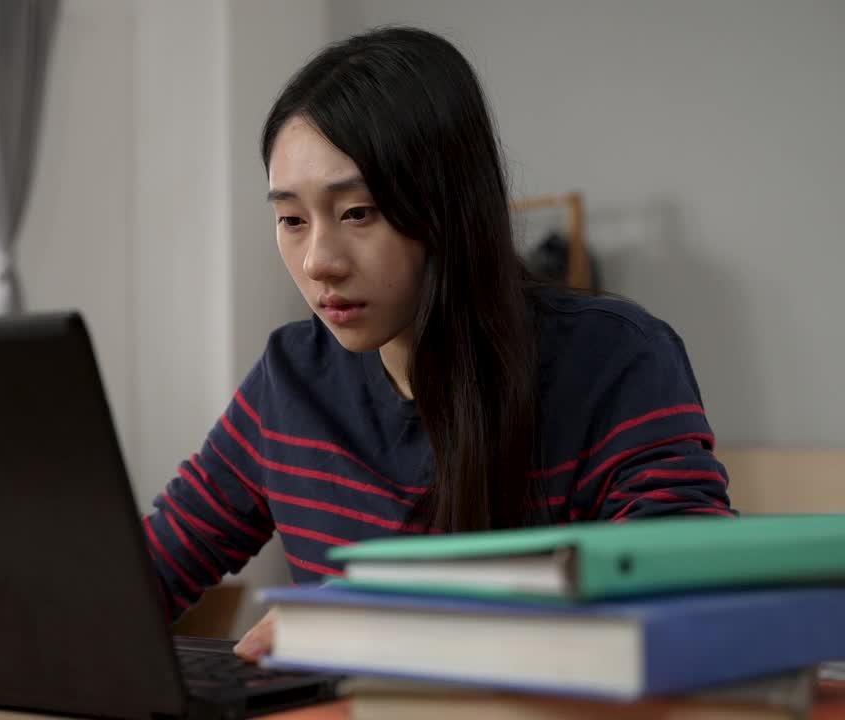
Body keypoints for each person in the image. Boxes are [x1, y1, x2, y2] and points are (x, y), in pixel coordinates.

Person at [140, 26, 734, 662]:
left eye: (358, 212)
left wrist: (380, 619)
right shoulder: (290, 379)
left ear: (448, 207)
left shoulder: (616, 361)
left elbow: (692, 599)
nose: (318, 261)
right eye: (291, 219)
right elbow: (148, 572)